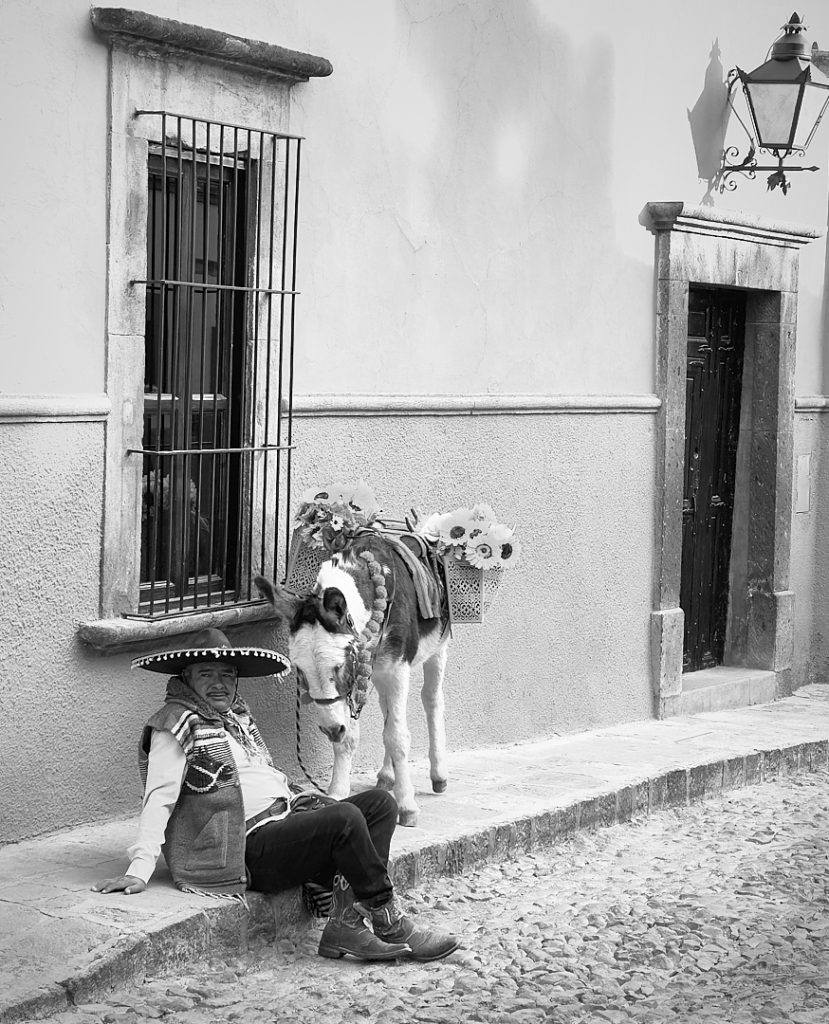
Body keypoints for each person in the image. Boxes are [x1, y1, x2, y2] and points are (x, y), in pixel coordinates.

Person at [92, 628, 458, 962]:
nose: (219, 684)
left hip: (284, 824)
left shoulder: (237, 717)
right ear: (185, 678)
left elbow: (265, 774)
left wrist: (304, 803)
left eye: (227, 675)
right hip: (242, 848)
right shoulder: (174, 724)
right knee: (344, 819)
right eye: (207, 674)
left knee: (381, 804)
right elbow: (159, 797)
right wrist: (139, 868)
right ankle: (391, 922)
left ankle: (346, 924)